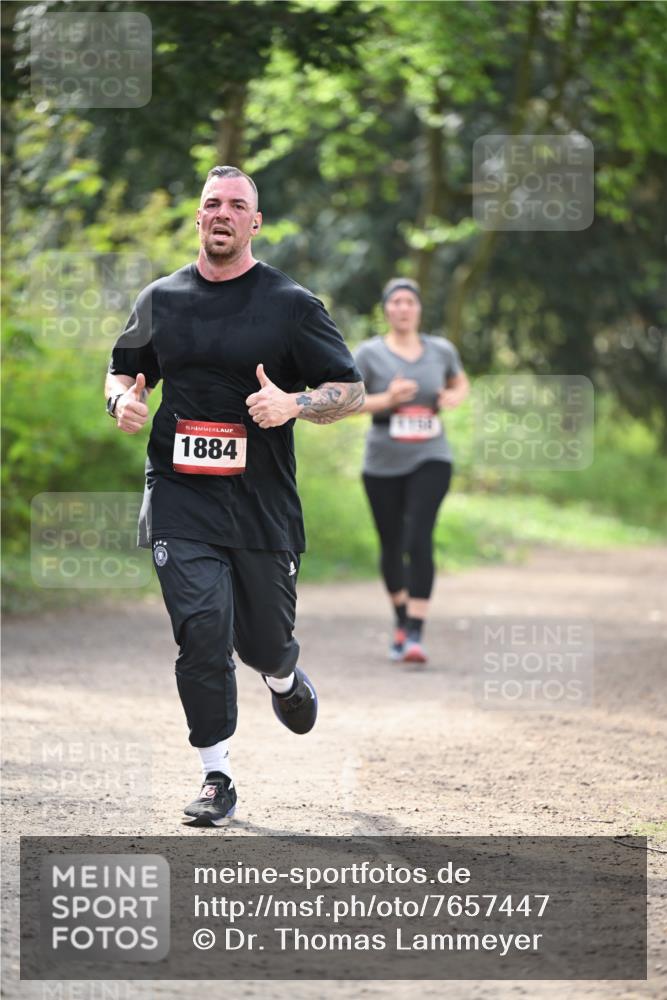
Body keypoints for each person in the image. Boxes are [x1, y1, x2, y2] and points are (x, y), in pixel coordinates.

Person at [105, 165, 364, 827]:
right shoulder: (161, 298)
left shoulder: (290, 305)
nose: (222, 214)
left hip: (261, 506)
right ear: (198, 218)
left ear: (254, 222)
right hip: (179, 495)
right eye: (211, 203)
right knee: (201, 633)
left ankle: (282, 675)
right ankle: (215, 774)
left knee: (262, 642)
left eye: (236, 205)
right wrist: (120, 403)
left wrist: (294, 402)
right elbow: (123, 370)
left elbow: (348, 388)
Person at [354, 277, 469, 664]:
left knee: (418, 536)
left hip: (431, 454)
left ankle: (416, 633)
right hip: (383, 458)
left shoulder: (441, 350)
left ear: (419, 309)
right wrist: (387, 398)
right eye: (396, 302)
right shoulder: (369, 354)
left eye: (410, 302)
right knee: (391, 543)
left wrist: (454, 395)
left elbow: (459, 380)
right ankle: (402, 620)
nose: (403, 308)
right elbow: (346, 402)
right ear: (386, 310)